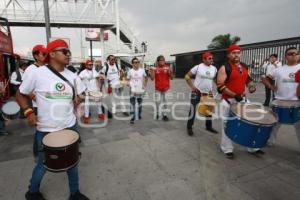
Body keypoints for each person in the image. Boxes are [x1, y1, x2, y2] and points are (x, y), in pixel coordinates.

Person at [16, 39, 89, 200]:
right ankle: (32, 192)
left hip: (69, 126)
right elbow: (20, 93)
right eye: (64, 51)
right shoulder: (37, 73)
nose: (68, 54)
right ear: (52, 53)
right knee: (43, 164)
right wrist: (29, 112)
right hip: (47, 128)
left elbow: (83, 94)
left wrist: (79, 99)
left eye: (68, 51)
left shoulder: (72, 75)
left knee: (73, 162)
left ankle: (74, 193)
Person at [216, 44, 263, 159]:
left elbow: (248, 79)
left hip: (242, 100)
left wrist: (251, 86)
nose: (236, 55)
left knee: (250, 123)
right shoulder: (224, 67)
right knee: (226, 125)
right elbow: (220, 86)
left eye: (238, 52)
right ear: (229, 55)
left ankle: (252, 147)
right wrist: (234, 95)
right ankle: (227, 149)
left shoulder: (244, 66)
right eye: (233, 53)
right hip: (228, 101)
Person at [262, 47, 300, 146]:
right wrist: (271, 86)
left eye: (296, 53)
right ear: (285, 57)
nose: (294, 55)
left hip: (297, 101)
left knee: (298, 126)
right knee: (275, 123)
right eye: (291, 54)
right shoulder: (279, 70)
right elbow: (265, 79)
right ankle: (271, 141)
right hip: (280, 101)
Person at [22, 44, 48, 159]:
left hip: (48, 104)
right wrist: (35, 97)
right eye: (43, 53)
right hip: (38, 106)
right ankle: (37, 154)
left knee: (47, 128)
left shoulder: (46, 67)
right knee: (40, 130)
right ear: (36, 56)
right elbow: (24, 89)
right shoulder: (31, 69)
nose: (45, 55)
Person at [185, 51, 218, 136]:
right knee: (193, 109)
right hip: (197, 92)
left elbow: (214, 79)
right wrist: (192, 87)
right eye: (209, 58)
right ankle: (189, 127)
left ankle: (208, 127)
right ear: (204, 59)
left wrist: (218, 86)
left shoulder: (214, 68)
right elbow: (187, 76)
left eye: (212, 58)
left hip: (208, 93)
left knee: (209, 110)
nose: (211, 59)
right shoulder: (198, 67)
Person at [79, 60, 105, 124]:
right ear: (86, 65)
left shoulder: (94, 71)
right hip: (87, 90)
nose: (91, 66)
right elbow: (79, 81)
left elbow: (98, 78)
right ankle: (86, 117)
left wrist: (99, 87)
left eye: (91, 64)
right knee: (87, 104)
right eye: (89, 64)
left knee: (98, 103)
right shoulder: (83, 72)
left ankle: (100, 114)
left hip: (95, 90)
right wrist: (82, 90)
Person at [149, 55, 173, 121]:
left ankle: (164, 115)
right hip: (158, 88)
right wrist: (151, 72)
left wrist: (170, 72)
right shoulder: (155, 68)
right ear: (158, 61)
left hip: (166, 88)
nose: (162, 61)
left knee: (166, 102)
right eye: (160, 60)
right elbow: (152, 79)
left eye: (163, 60)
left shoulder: (167, 68)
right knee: (158, 102)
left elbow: (171, 78)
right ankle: (157, 113)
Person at [127, 57, 148, 124]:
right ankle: (132, 117)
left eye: (138, 62)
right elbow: (128, 80)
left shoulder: (142, 70)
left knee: (140, 104)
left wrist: (144, 84)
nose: (137, 63)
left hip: (140, 90)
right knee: (132, 104)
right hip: (132, 90)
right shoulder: (130, 71)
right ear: (132, 64)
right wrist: (129, 84)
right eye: (135, 62)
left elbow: (146, 77)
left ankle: (138, 115)